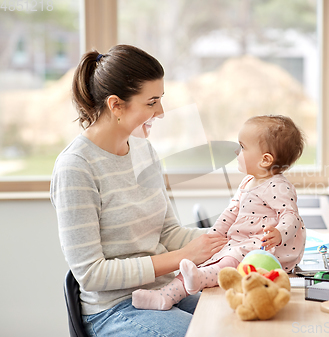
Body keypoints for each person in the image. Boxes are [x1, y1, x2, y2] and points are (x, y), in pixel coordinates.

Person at [50, 44, 227, 337]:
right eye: (151, 102)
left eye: (161, 99)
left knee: (237, 321)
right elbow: (91, 274)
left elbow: (168, 232)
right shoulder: (76, 167)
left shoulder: (144, 150)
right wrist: (184, 256)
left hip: (166, 293)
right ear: (116, 105)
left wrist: (232, 237)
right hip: (113, 310)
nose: (161, 111)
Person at [132, 115, 307, 311]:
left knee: (227, 262)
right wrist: (214, 233)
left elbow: (290, 216)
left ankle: (196, 280)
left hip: (264, 248)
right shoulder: (248, 182)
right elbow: (231, 211)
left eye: (242, 147)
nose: (236, 151)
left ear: (265, 160)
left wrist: (280, 233)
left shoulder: (278, 186)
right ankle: (166, 295)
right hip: (243, 241)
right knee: (204, 260)